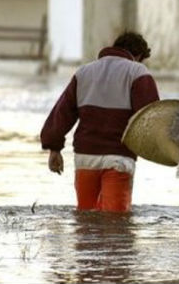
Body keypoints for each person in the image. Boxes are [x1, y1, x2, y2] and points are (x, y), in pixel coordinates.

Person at [40, 31, 160, 212]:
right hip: (118, 158)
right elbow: (151, 116)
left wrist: (54, 148)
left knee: (86, 219)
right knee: (115, 222)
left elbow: (62, 113)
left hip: (85, 157)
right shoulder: (137, 72)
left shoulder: (84, 72)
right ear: (138, 56)